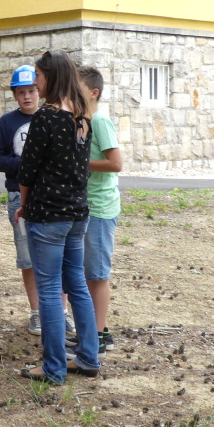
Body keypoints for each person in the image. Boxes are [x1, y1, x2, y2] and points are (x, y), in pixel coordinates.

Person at [16, 50, 100, 385]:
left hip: (48, 215)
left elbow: (27, 170)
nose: (35, 83)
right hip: (77, 214)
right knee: (76, 284)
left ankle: (53, 367)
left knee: (49, 289)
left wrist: (24, 204)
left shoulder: (46, 116)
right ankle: (89, 357)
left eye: (38, 76)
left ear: (51, 77)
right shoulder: (83, 117)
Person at [0, 66, 76, 336]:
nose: (27, 96)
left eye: (31, 91)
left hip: (50, 197)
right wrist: (25, 165)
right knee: (27, 256)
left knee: (58, 255)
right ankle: (37, 311)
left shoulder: (54, 117)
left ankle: (61, 312)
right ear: (15, 95)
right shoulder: (7, 123)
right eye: (21, 92)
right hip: (18, 196)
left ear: (40, 91)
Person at [77, 65, 121, 356]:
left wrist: (79, 162)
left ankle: (100, 334)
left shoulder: (101, 121)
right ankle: (91, 331)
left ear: (93, 93)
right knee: (85, 272)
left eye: (77, 89)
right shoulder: (83, 121)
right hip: (85, 206)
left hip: (101, 209)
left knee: (97, 274)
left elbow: (116, 163)